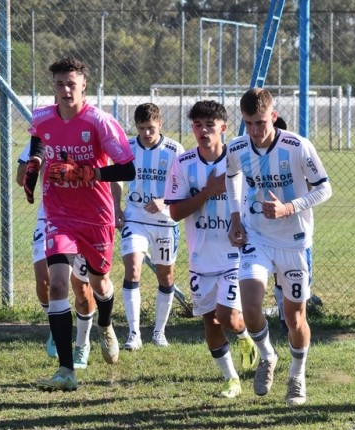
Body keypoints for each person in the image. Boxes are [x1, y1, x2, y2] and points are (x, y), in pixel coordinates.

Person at [23, 56, 135, 391]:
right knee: (59, 284)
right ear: (53, 87)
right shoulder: (42, 117)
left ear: (84, 85)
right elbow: (39, 141)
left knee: (100, 283)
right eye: (60, 84)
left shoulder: (99, 121)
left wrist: (90, 173)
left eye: (72, 83)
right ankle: (66, 371)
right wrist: (35, 163)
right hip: (58, 214)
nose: (66, 90)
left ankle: (105, 323)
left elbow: (127, 168)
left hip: (95, 217)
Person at [226, 88, 332, 406]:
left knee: (294, 316)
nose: (255, 131)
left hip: (296, 242)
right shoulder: (238, 148)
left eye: (260, 123)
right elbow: (232, 175)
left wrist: (290, 207)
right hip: (257, 237)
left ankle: (297, 376)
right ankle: (268, 356)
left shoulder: (297, 146)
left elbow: (325, 188)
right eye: (248, 124)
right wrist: (235, 216)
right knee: (250, 304)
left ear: (273, 116)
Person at [165, 100, 258, 398]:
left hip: (236, 253)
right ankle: (231, 379)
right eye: (197, 125)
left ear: (223, 128)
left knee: (228, 315)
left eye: (209, 125)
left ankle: (245, 337)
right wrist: (207, 192)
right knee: (210, 319)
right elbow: (176, 213)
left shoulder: (240, 158)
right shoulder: (182, 163)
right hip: (200, 256)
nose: (203, 131)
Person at [17, 143, 96, 368]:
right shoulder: (42, 139)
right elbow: (19, 178)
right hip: (50, 217)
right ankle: (56, 326)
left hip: (83, 218)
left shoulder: (89, 135)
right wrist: (33, 163)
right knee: (44, 279)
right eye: (57, 104)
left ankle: (82, 343)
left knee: (81, 288)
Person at [115, 102, 184, 350]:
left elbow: (185, 187)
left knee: (166, 277)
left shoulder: (175, 150)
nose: (146, 133)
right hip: (135, 218)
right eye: (142, 128)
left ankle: (159, 332)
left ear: (160, 124)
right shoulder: (128, 148)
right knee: (132, 268)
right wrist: (116, 208)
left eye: (151, 128)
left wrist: (165, 200)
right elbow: (117, 179)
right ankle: (134, 334)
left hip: (165, 223)